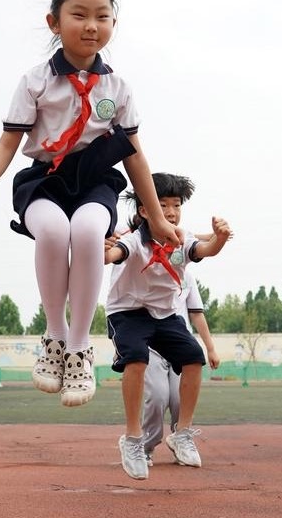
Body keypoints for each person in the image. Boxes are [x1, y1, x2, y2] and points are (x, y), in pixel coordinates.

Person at [0, 0, 180, 408]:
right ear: (54, 22)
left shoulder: (117, 87)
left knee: (90, 231)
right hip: (44, 180)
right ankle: (54, 335)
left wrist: (157, 219)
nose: (91, 25)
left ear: (113, 23)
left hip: (95, 181)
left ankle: (79, 348)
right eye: (79, 15)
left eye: (103, 16)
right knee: (55, 231)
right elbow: (7, 143)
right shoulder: (35, 81)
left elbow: (135, 158)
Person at [104, 172, 231, 480]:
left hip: (163, 315)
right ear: (144, 210)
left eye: (176, 205)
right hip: (128, 313)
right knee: (136, 357)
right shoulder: (134, 240)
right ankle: (133, 439)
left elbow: (204, 250)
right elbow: (114, 254)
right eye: (163, 205)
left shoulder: (181, 240)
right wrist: (100, 249)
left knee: (193, 357)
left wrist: (220, 239)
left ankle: (182, 433)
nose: (171, 212)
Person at [142, 269, 220, 467]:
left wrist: (210, 348)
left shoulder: (187, 277)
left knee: (179, 399)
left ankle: (181, 440)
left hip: (180, 345)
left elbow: (196, 314)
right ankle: (145, 447)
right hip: (151, 345)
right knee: (158, 396)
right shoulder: (143, 268)